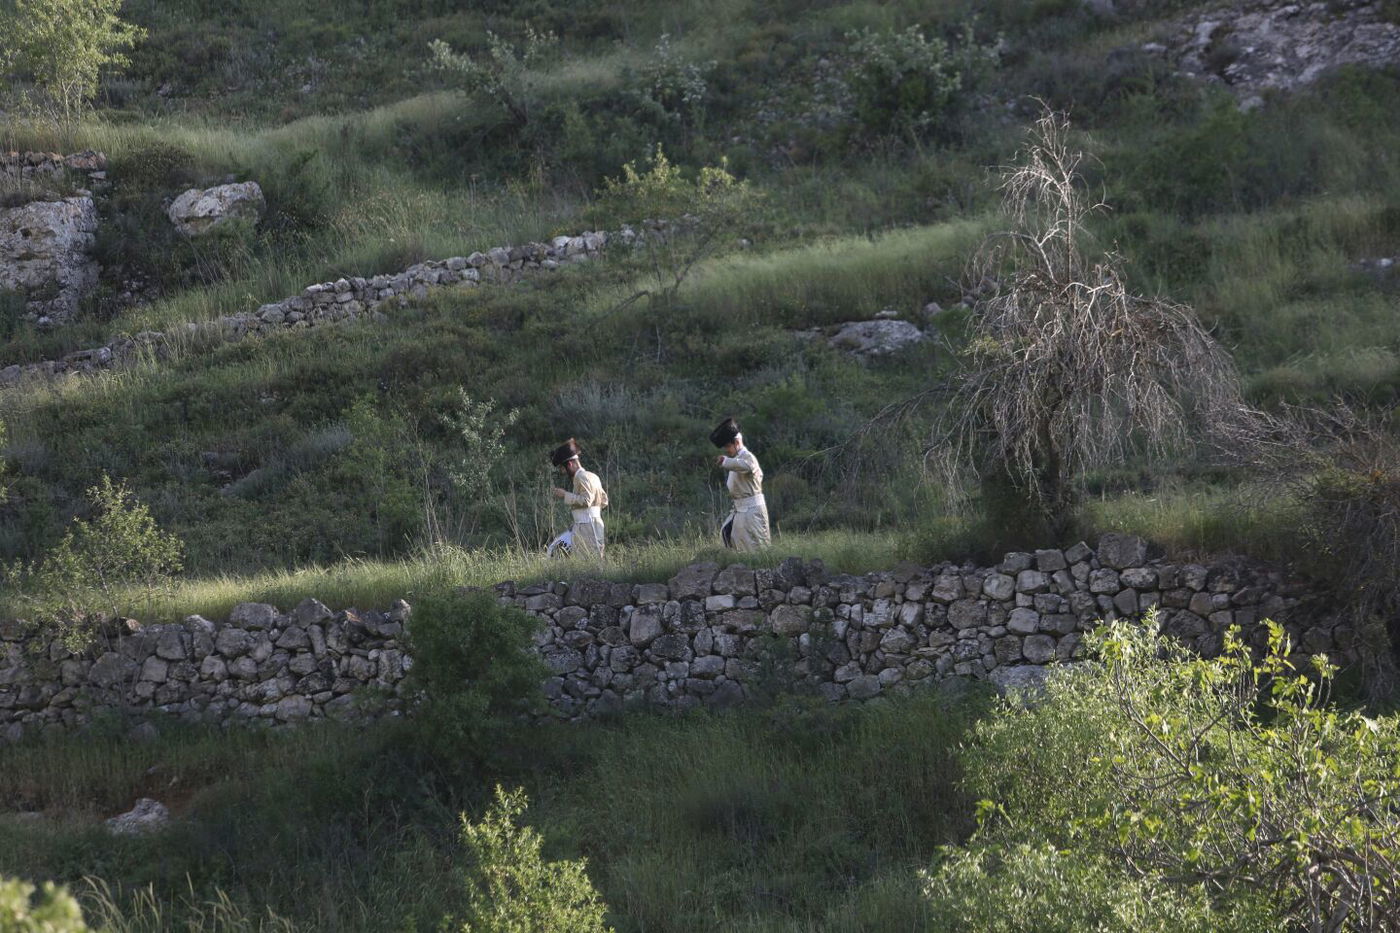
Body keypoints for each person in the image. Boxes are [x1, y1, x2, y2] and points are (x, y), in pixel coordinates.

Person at [711, 417, 771, 551]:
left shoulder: (748, 457)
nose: (726, 450)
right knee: (728, 536)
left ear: (737, 442)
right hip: (741, 511)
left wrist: (726, 461)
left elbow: (747, 467)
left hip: (752, 512)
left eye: (728, 446)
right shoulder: (737, 459)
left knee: (756, 549)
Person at [550, 438, 608, 558]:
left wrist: (565, 495)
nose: (562, 472)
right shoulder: (593, 476)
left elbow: (586, 501)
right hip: (590, 525)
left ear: (570, 464)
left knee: (587, 563)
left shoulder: (581, 477)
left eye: (562, 468)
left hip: (587, 528)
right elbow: (604, 501)